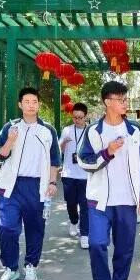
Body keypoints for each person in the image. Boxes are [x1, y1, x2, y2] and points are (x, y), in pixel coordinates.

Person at [77, 81, 140, 280]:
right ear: (107, 102)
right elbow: (84, 161)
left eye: (125, 99)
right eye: (121, 99)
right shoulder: (93, 131)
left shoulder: (135, 130)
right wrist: (107, 152)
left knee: (124, 247)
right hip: (98, 200)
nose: (125, 103)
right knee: (97, 244)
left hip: (127, 200)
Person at [0, 87, 60, 280]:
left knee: (35, 228)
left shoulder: (48, 130)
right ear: (20, 105)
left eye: (34, 101)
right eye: (27, 102)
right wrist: (10, 141)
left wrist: (52, 182)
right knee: (7, 228)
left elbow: (55, 160)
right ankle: (10, 268)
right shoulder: (10, 127)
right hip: (11, 186)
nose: (31, 105)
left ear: (39, 105)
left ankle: (31, 265)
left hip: (36, 186)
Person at [59, 103, 90, 248]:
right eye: (75, 117)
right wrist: (64, 142)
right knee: (71, 202)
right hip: (69, 173)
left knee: (85, 205)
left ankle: (85, 235)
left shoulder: (90, 131)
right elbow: (59, 149)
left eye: (80, 117)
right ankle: (73, 221)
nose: (77, 120)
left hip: (85, 175)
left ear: (86, 116)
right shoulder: (67, 130)